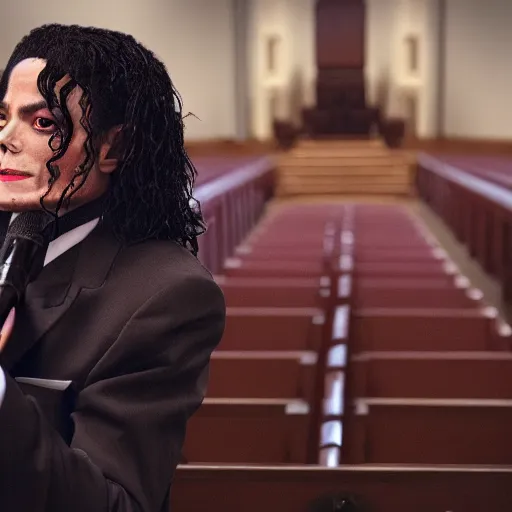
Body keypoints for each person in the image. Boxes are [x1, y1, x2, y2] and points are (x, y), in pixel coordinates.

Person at [0, 24, 225, 511]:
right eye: (2, 117)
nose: (6, 139)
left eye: (43, 124)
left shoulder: (167, 295)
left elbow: (115, 503)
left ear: (113, 148)